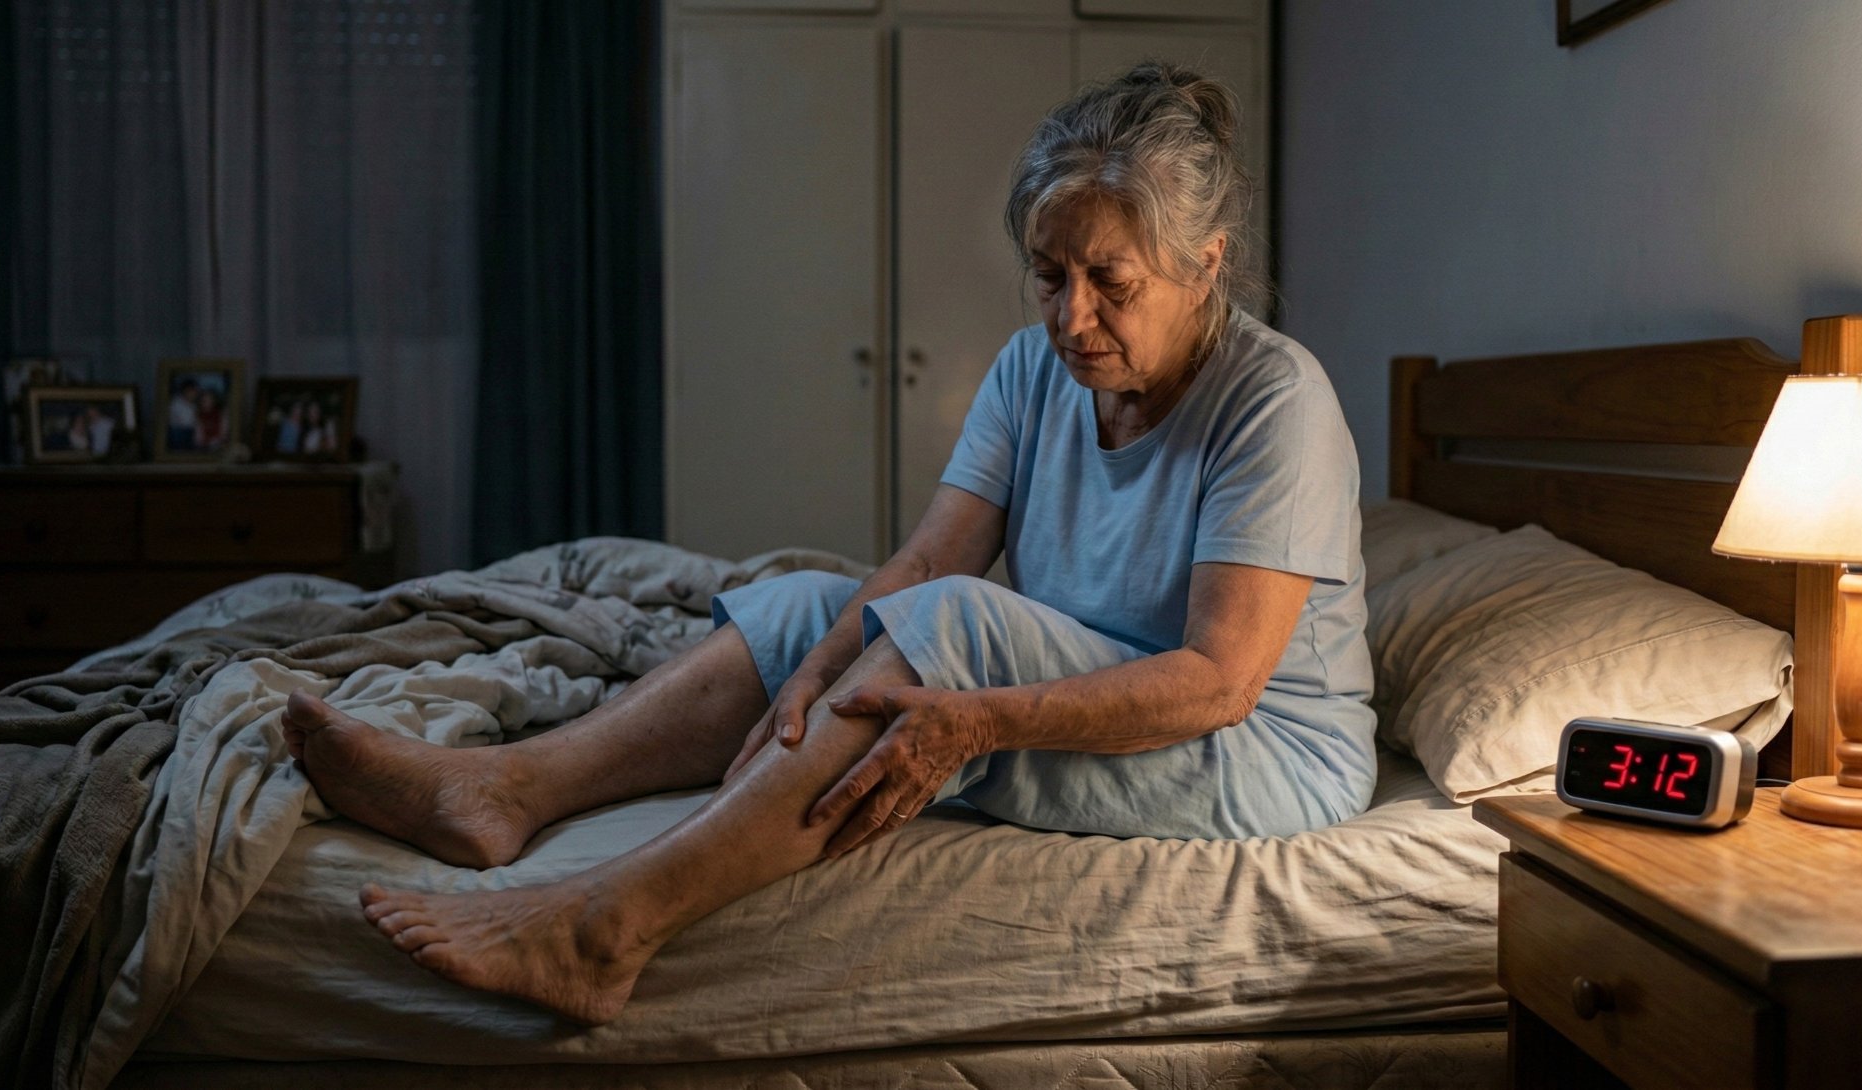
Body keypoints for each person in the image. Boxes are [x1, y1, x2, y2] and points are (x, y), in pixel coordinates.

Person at [284, 63, 1373, 1026]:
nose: (1071, 318)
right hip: (1104, 674)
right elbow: (926, 563)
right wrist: (811, 671)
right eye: (1049, 275)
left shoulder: (1274, 402)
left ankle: (606, 928)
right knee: (819, 602)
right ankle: (508, 787)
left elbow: (1218, 680)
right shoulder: (1030, 369)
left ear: (1205, 265)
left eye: (1112, 284)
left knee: (952, 629)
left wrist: (976, 721)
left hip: (1255, 750)